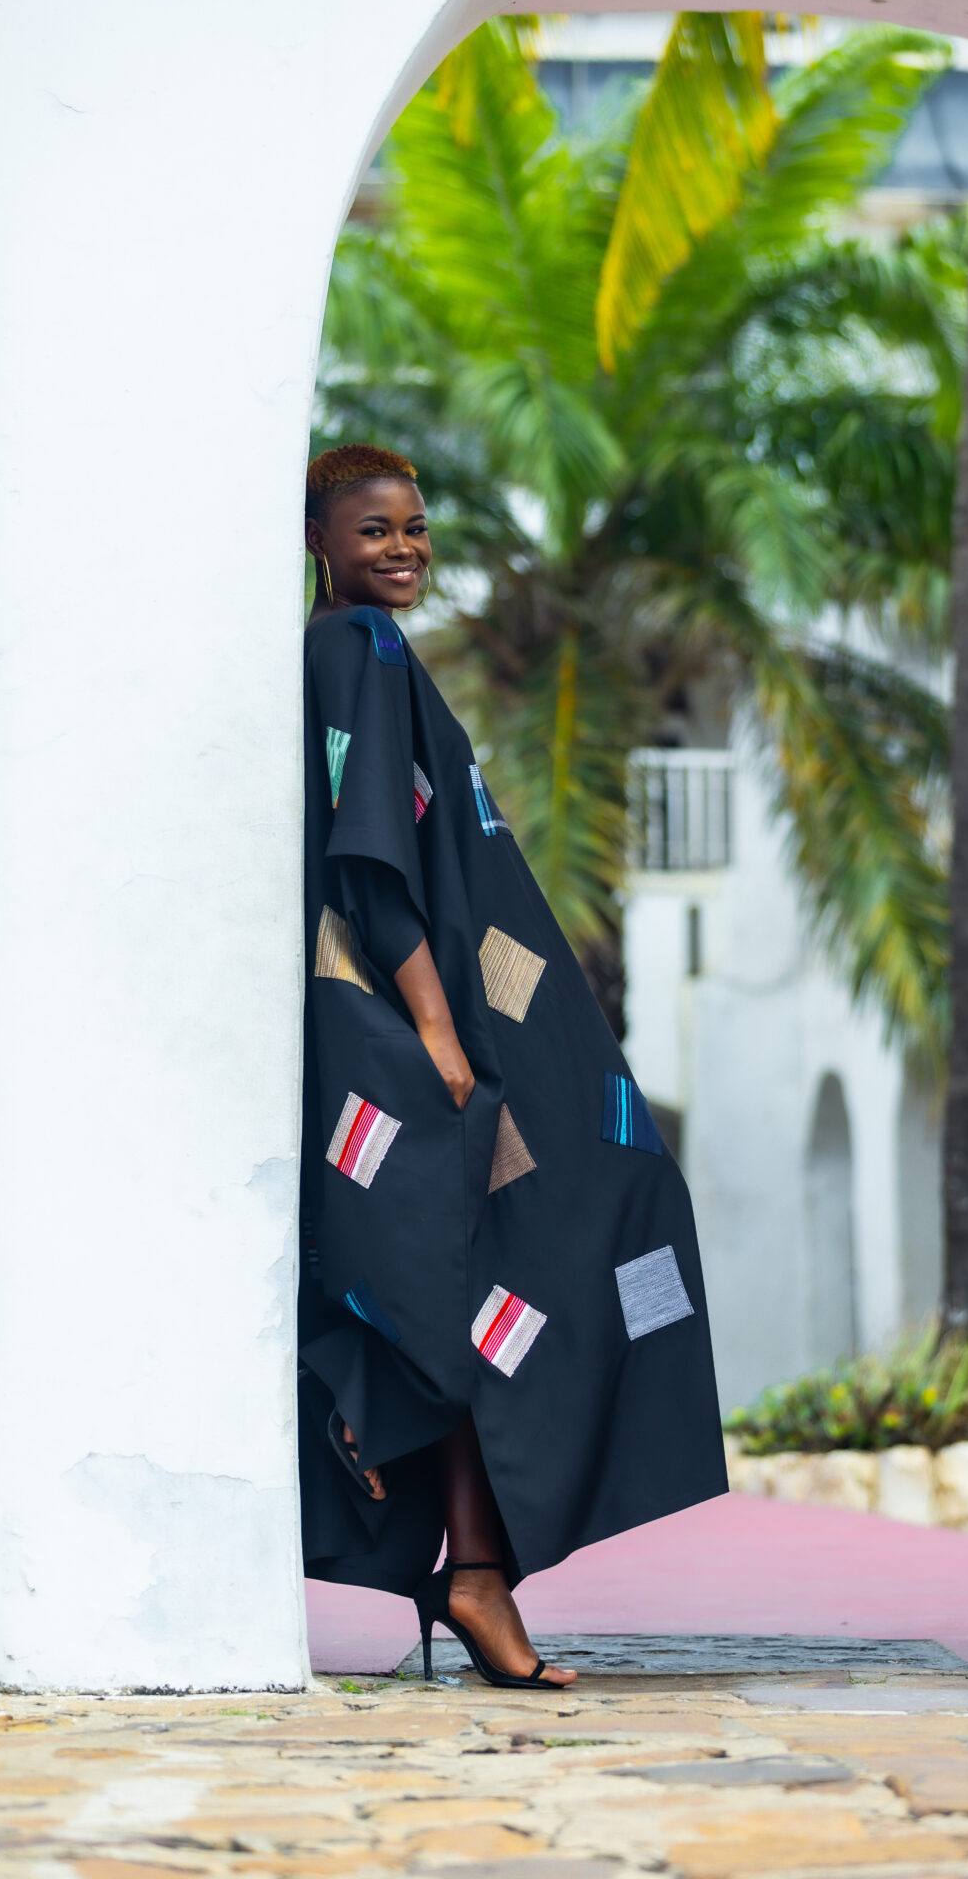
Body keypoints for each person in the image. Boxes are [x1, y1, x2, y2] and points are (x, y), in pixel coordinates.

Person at [299, 443, 727, 1689]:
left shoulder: (363, 649)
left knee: (511, 1270)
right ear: (318, 542)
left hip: (467, 1017)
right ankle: (471, 1566)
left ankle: (475, 1565)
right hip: (450, 1026)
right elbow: (370, 858)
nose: (403, 548)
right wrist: (437, 1031)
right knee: (549, 1239)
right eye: (373, 529)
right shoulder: (358, 649)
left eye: (416, 527)